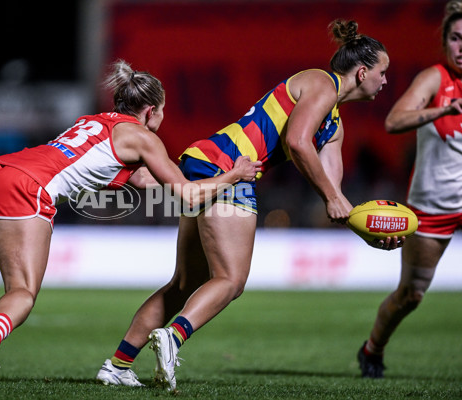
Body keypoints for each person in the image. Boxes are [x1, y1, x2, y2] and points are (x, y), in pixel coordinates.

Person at [0, 59, 261, 390]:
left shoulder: (92, 122)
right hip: (25, 189)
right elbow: (187, 196)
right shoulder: (143, 137)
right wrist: (234, 174)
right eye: (161, 113)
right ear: (151, 110)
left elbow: (142, 179)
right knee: (23, 292)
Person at [96, 20, 400, 391]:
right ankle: (172, 338)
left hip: (203, 160)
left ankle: (118, 364)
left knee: (184, 283)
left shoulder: (334, 125)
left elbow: (332, 191)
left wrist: (365, 228)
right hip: (231, 168)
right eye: (383, 72)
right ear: (363, 71)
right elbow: (300, 142)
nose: (385, 81)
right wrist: (334, 199)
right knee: (231, 280)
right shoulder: (322, 83)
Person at [357, 0, 462, 379]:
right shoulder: (435, 79)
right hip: (434, 207)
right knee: (411, 295)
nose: (461, 47)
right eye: (455, 38)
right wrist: (442, 111)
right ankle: (372, 349)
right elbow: (394, 120)